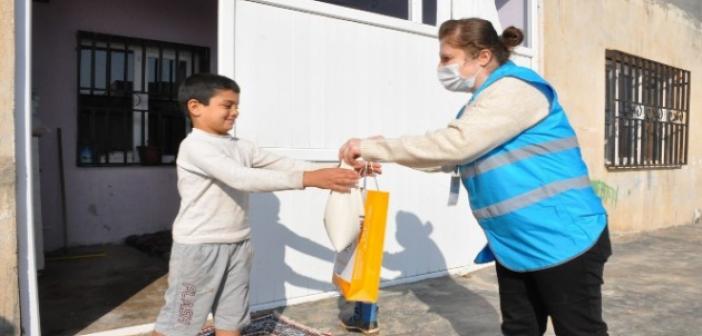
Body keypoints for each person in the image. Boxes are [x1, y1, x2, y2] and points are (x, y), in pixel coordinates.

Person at [339, 18, 611, 336]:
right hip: (518, 244)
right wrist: (379, 153)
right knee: (520, 329)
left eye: (447, 58)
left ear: (482, 56)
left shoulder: (516, 89)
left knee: (579, 330)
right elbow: (451, 156)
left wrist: (377, 147)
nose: (440, 66)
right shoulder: (482, 105)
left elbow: (456, 145)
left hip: (563, 239)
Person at [152, 73, 364, 336]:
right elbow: (240, 178)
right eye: (227, 105)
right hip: (198, 250)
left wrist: (342, 171)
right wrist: (310, 179)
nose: (235, 112)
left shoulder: (242, 147)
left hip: (239, 245)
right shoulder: (194, 147)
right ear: (195, 107)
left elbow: (286, 164)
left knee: (232, 318)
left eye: (237, 105)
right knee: (180, 321)